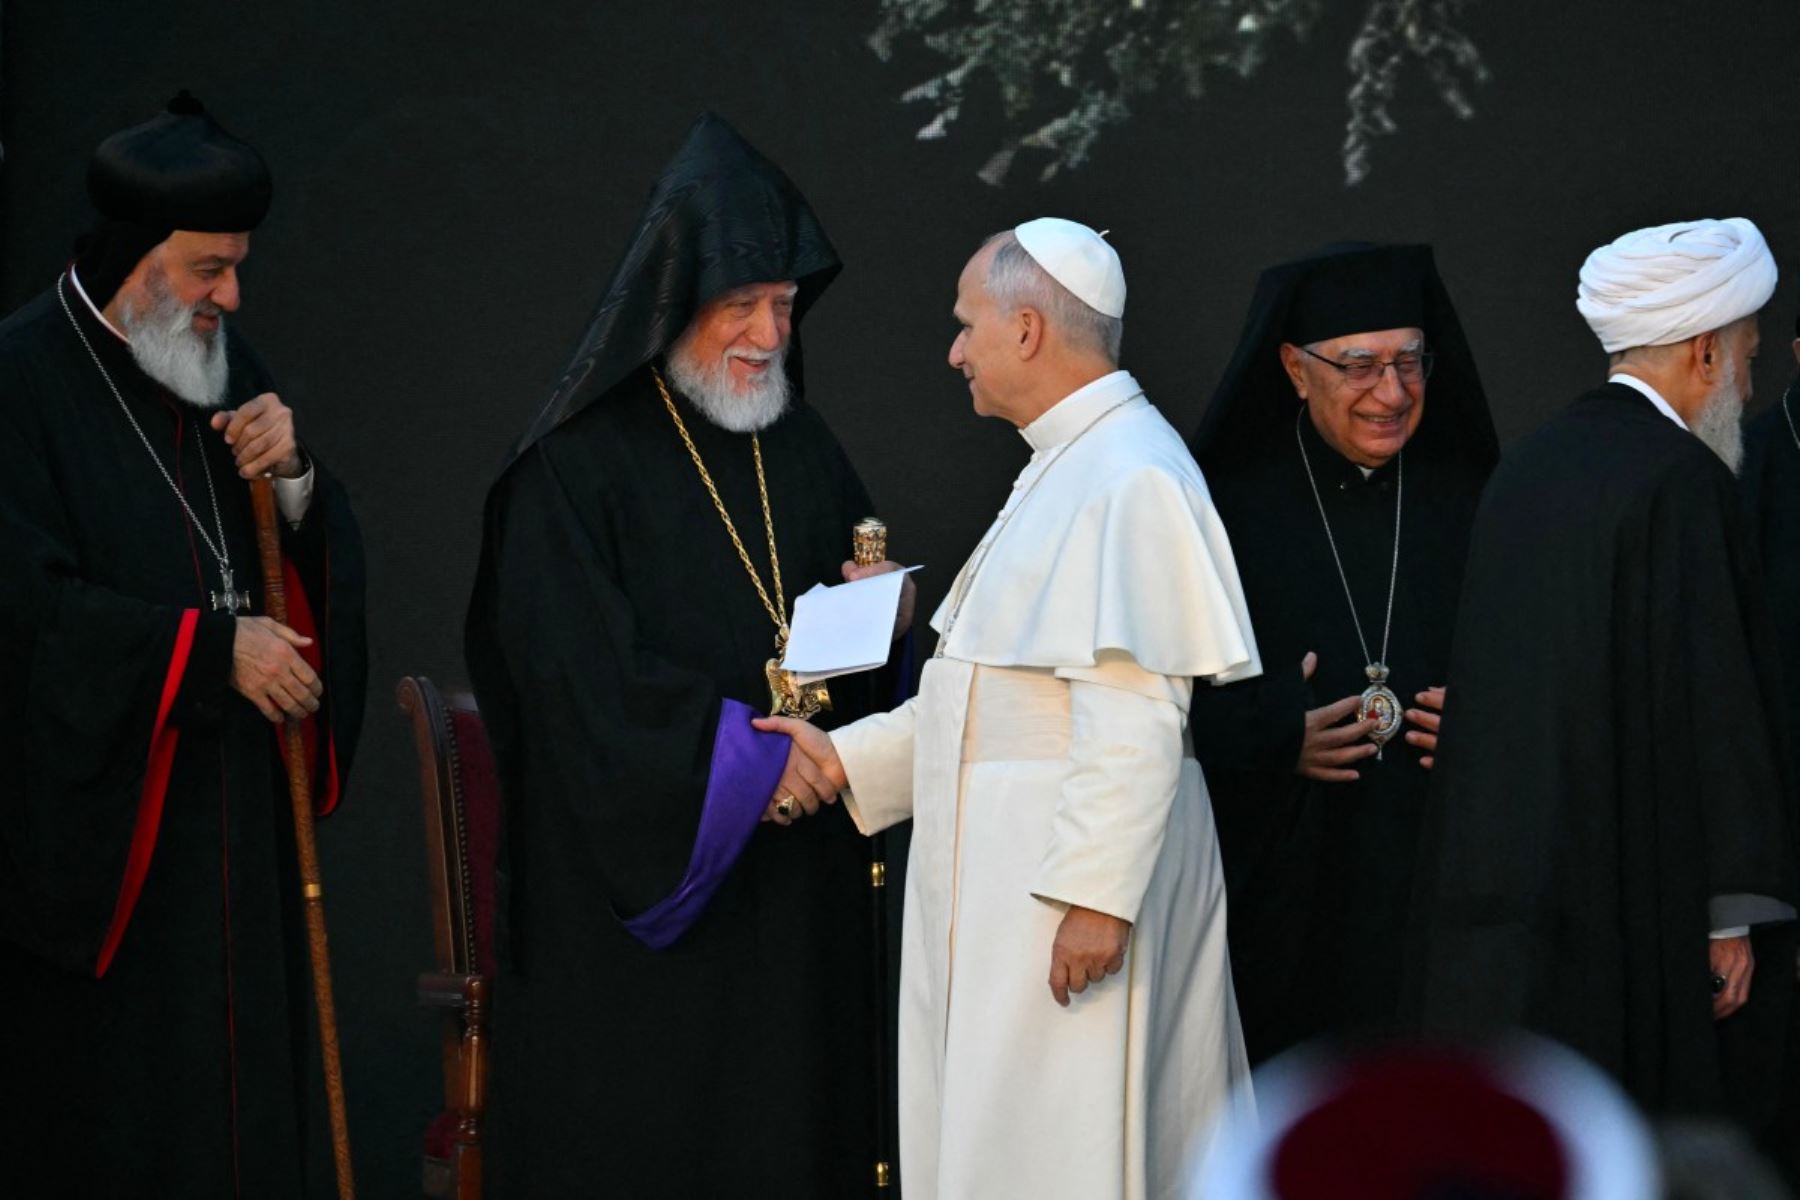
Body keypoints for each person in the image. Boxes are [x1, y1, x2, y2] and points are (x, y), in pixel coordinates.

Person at [762, 219, 1260, 1199]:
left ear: (1026, 330)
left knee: (1072, 1153)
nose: (955, 351)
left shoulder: (1130, 473)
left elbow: (1135, 711)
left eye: (966, 326)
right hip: (1023, 885)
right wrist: (838, 762)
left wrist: (1096, 900)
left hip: (1065, 901)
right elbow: (986, 701)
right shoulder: (1068, 464)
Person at [464, 113, 911, 1197]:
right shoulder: (570, 470)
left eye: (784, 306)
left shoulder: (801, 444)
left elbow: (845, 648)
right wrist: (761, 766)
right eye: (742, 305)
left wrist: (884, 633)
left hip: (791, 899)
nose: (768, 333)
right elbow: (579, 689)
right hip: (644, 920)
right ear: (674, 303)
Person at [0, 93, 366, 1196]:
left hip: (240, 847)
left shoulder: (210, 355)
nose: (233, 295)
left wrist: (296, 477)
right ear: (132, 256)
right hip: (113, 869)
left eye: (237, 266)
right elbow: (25, 617)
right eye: (210, 268)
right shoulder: (19, 382)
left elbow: (300, 551)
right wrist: (211, 655)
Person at [1411, 218, 1798, 1129]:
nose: (1747, 381)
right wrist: (1730, 916)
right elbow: (1720, 704)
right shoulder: (1682, 481)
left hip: (1515, 901)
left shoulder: (1532, 466)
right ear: (1705, 353)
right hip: (1636, 888)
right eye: (1744, 355)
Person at [1186, 243, 1498, 1064]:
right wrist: (1274, 732)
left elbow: (1537, 668)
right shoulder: (1226, 508)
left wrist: (1485, 715)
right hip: (1292, 896)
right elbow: (1168, 701)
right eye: (1360, 366)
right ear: (1294, 368)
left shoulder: (1474, 496)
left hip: (1435, 885)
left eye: (1409, 362)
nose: (1392, 393)